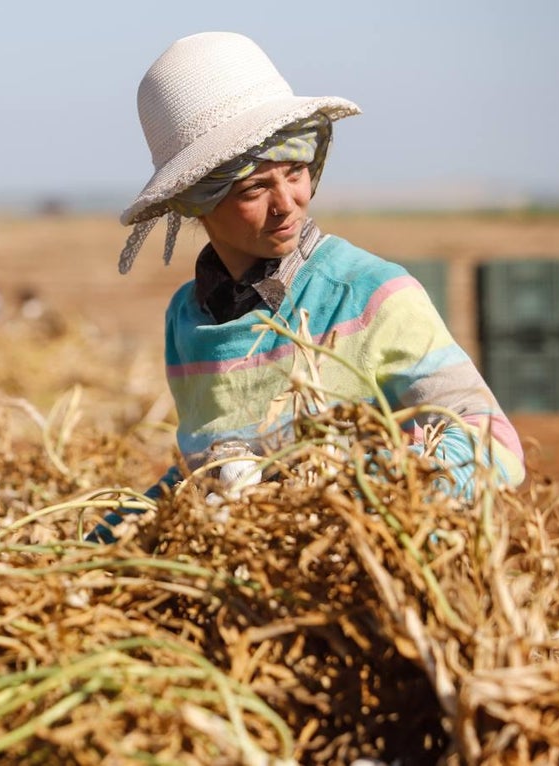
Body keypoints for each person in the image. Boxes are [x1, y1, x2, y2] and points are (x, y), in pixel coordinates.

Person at [93, 32, 524, 539]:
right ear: (195, 200)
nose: (288, 203)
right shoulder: (187, 321)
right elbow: (203, 471)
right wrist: (100, 544)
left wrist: (356, 500)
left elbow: (494, 441)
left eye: (296, 172)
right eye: (255, 187)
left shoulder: (368, 294)